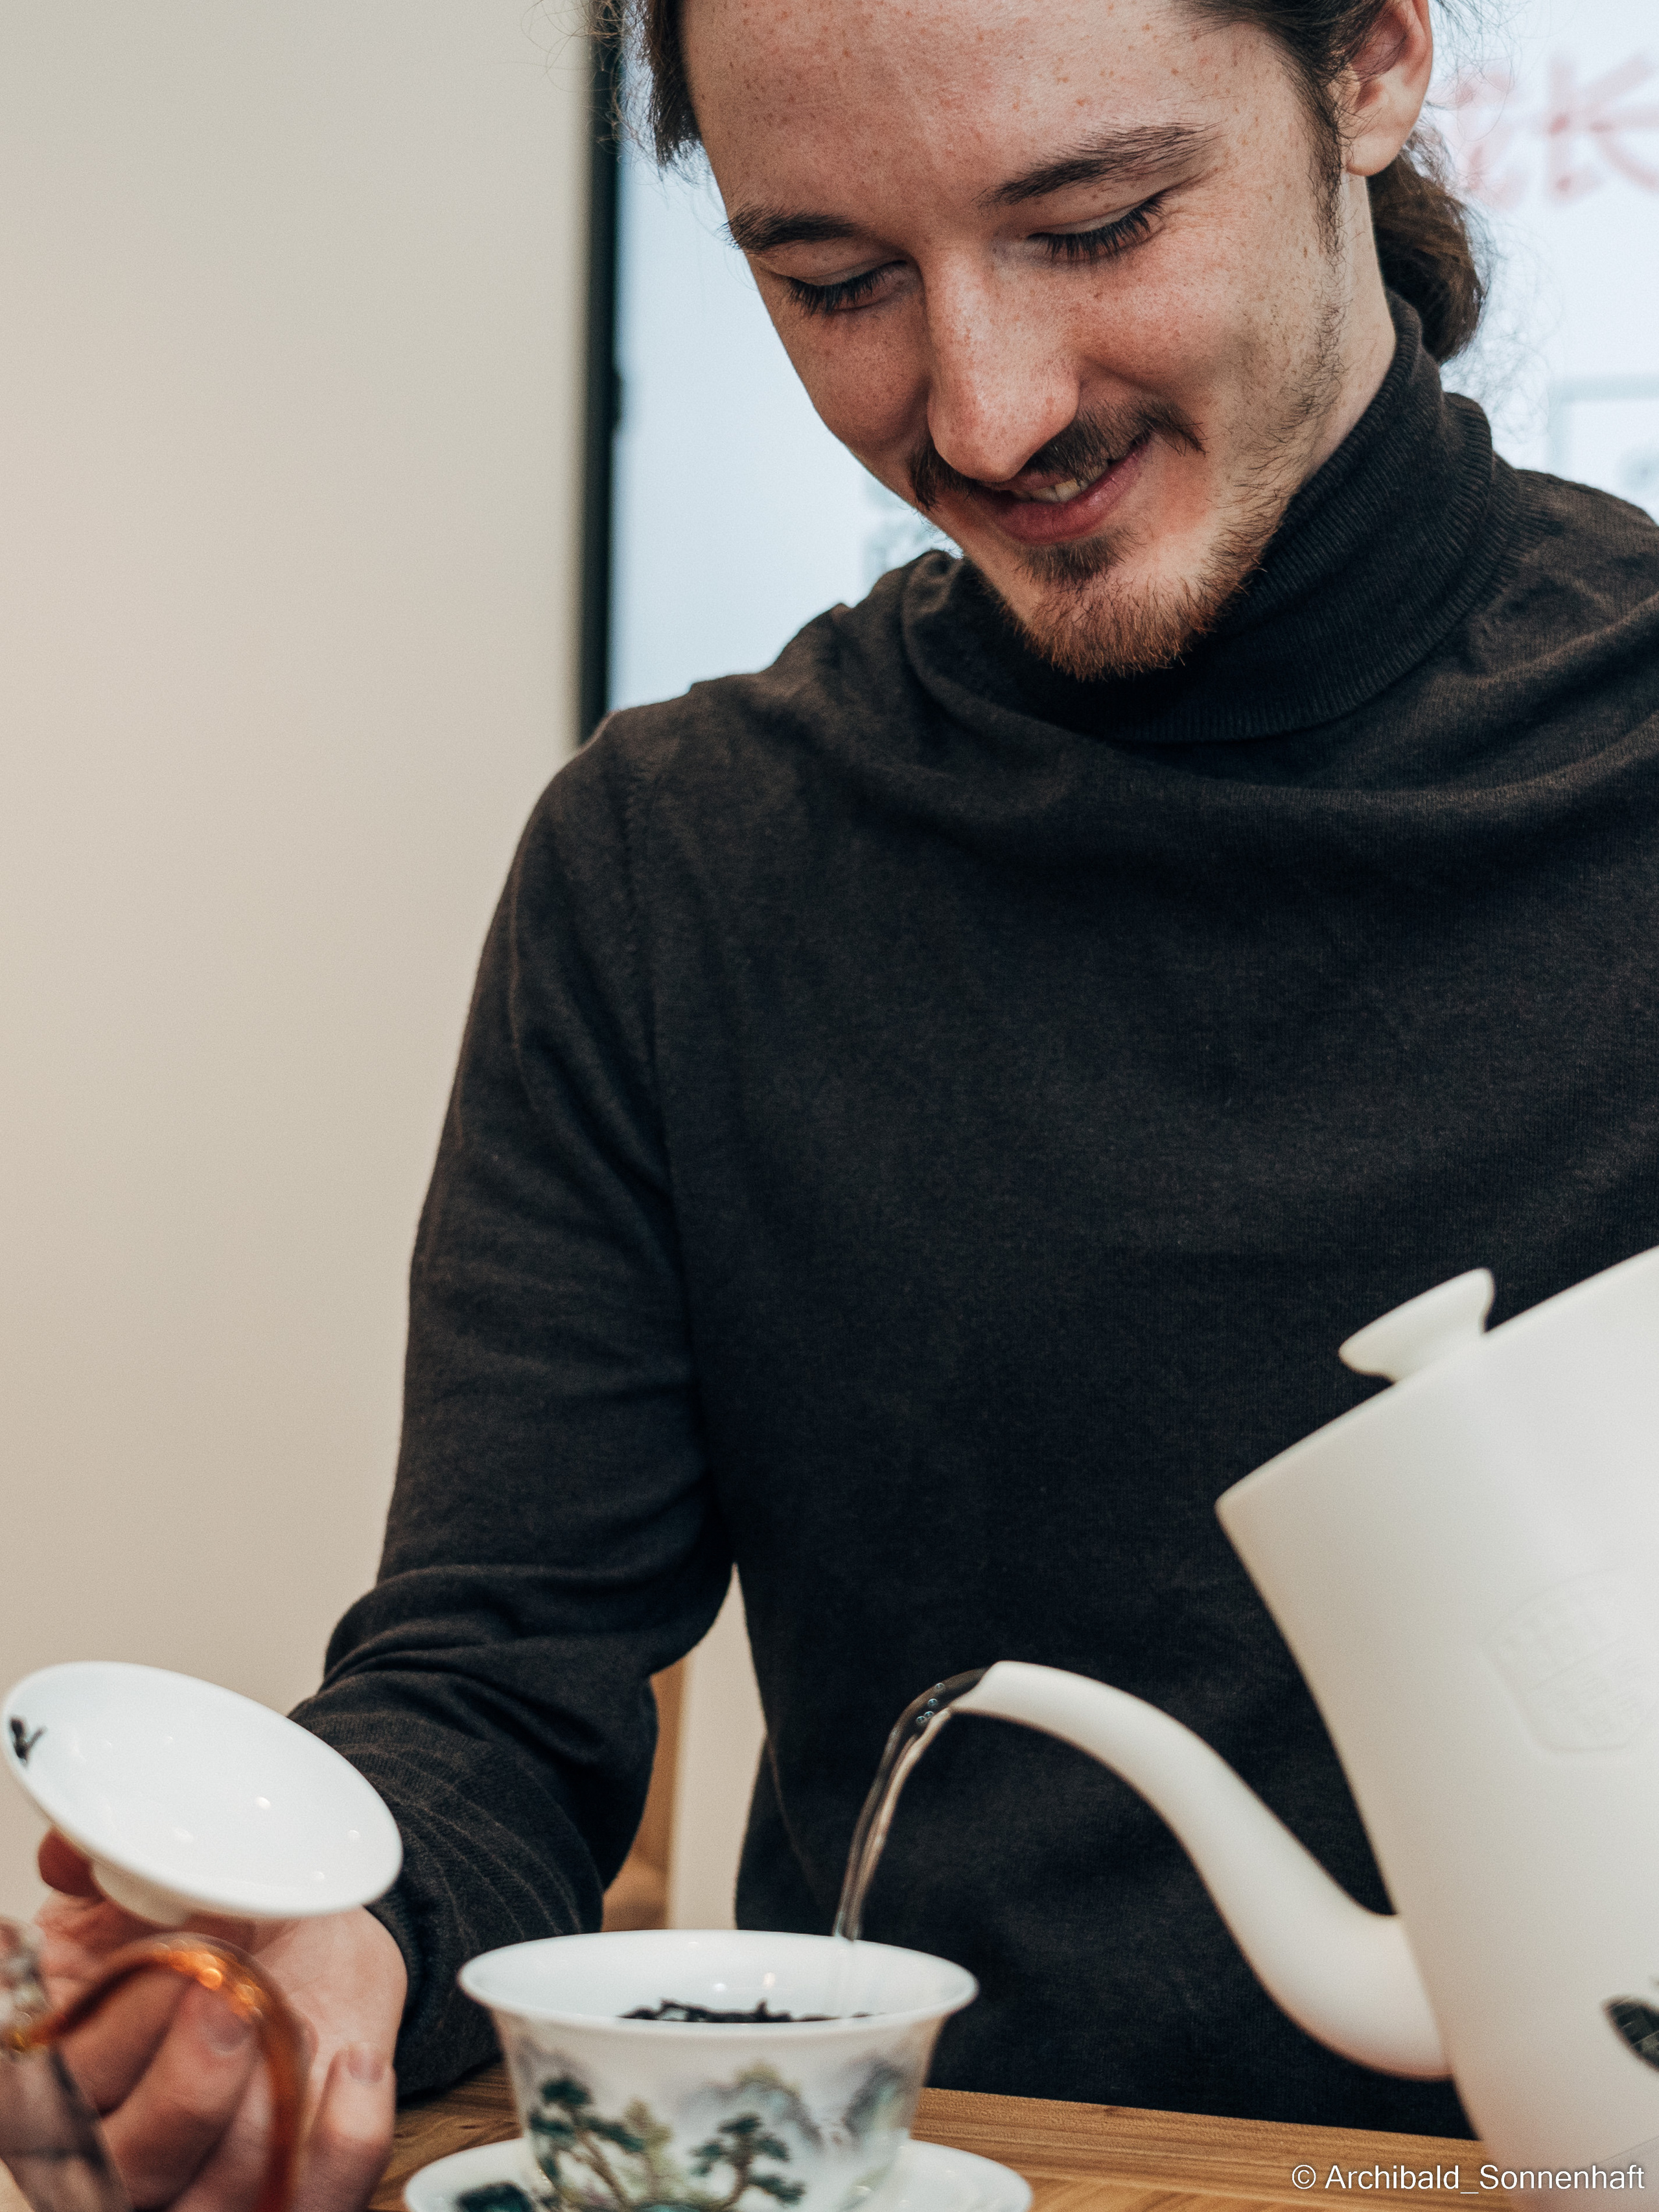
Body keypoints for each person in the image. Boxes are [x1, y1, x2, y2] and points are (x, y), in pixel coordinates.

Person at [31, 0, 1659, 2200]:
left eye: (1094, 223)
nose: (985, 412)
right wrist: (319, 1950)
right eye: (834, 284)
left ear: (1371, 65)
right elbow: (495, 1694)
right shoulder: (679, 867)